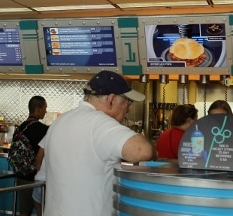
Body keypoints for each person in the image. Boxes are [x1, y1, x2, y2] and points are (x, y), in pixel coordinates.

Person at [43, 70, 154, 216]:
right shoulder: (100, 123)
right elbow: (142, 150)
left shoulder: (60, 121)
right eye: (128, 102)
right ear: (111, 100)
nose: (128, 109)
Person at [13, 96, 48, 216]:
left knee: (24, 210)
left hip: (22, 174)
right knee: (41, 210)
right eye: (45, 108)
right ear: (38, 110)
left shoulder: (20, 128)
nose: (46, 111)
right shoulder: (44, 130)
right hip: (37, 176)